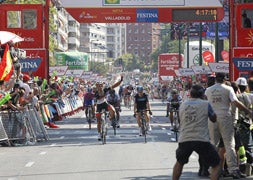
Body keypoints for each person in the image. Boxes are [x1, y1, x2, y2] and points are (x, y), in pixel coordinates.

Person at [205, 72, 253, 178]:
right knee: (229, 144)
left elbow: (205, 103)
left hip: (212, 118)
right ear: (224, 79)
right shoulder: (228, 89)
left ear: (216, 79)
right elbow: (235, 102)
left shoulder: (208, 90)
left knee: (214, 144)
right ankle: (233, 170)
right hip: (225, 118)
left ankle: (212, 169)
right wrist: (248, 111)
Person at [172, 84, 220, 180]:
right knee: (216, 164)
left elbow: (180, 120)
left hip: (185, 138)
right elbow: (213, 118)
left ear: (190, 94)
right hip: (201, 138)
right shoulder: (205, 104)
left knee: (179, 162)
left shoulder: (183, 104)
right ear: (202, 94)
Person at [94, 76, 123, 140]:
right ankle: (99, 134)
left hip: (105, 104)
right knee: (98, 121)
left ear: (103, 86)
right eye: (99, 86)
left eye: (101, 85)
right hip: (99, 106)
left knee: (113, 110)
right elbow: (95, 103)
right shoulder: (95, 93)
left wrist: (120, 81)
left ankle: (111, 119)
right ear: (96, 86)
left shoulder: (105, 89)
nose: (100, 87)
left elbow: (114, 86)